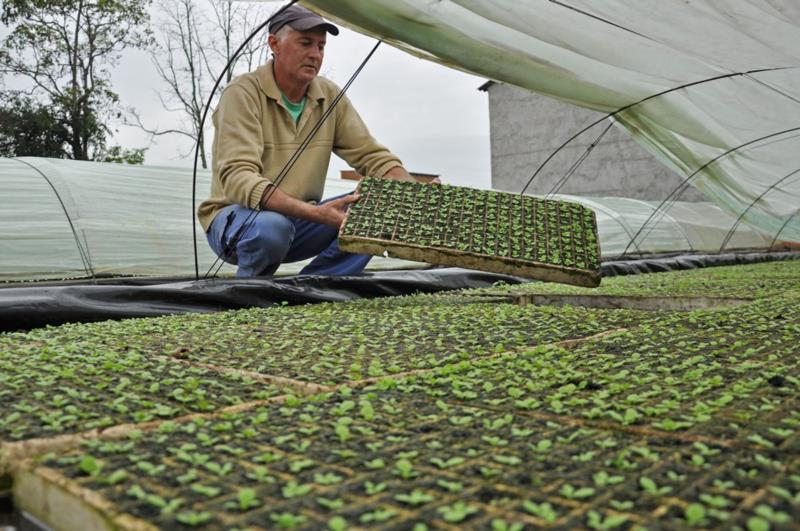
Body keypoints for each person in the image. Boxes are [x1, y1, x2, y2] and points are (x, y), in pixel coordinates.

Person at [198, 5, 424, 277]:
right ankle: (249, 298)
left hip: (300, 220)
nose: (315, 55)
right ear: (274, 43)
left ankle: (315, 289)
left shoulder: (328, 96)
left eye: (321, 46)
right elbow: (239, 178)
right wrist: (314, 213)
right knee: (272, 228)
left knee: (377, 207)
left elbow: (372, 157)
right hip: (238, 222)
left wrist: (416, 196)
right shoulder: (243, 93)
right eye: (305, 43)